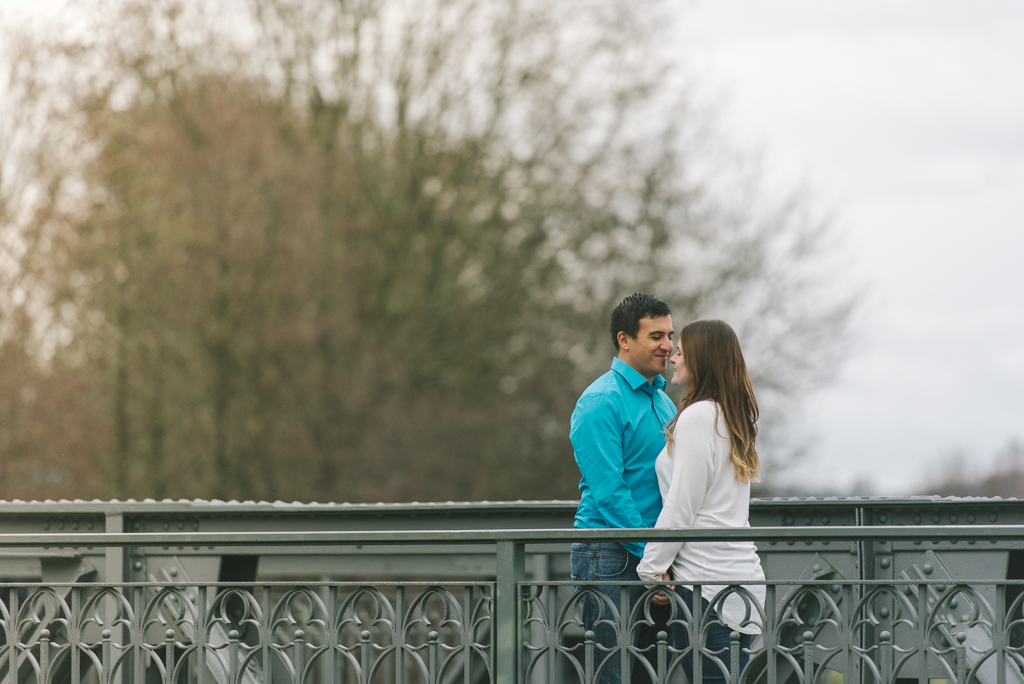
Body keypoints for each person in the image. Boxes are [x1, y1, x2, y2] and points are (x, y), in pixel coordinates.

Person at [637, 319, 766, 684]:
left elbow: (682, 505)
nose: (673, 357)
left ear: (701, 360)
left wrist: (650, 569)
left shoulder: (698, 416)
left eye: (681, 351)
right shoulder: (730, 416)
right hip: (740, 583)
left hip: (707, 590)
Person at [570, 292, 677, 684]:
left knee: (651, 675)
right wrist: (654, 557)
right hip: (609, 551)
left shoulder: (664, 403)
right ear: (624, 340)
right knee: (611, 675)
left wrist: (660, 556)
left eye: (670, 335)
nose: (667, 345)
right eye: (655, 336)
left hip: (653, 553)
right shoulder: (600, 401)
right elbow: (609, 491)